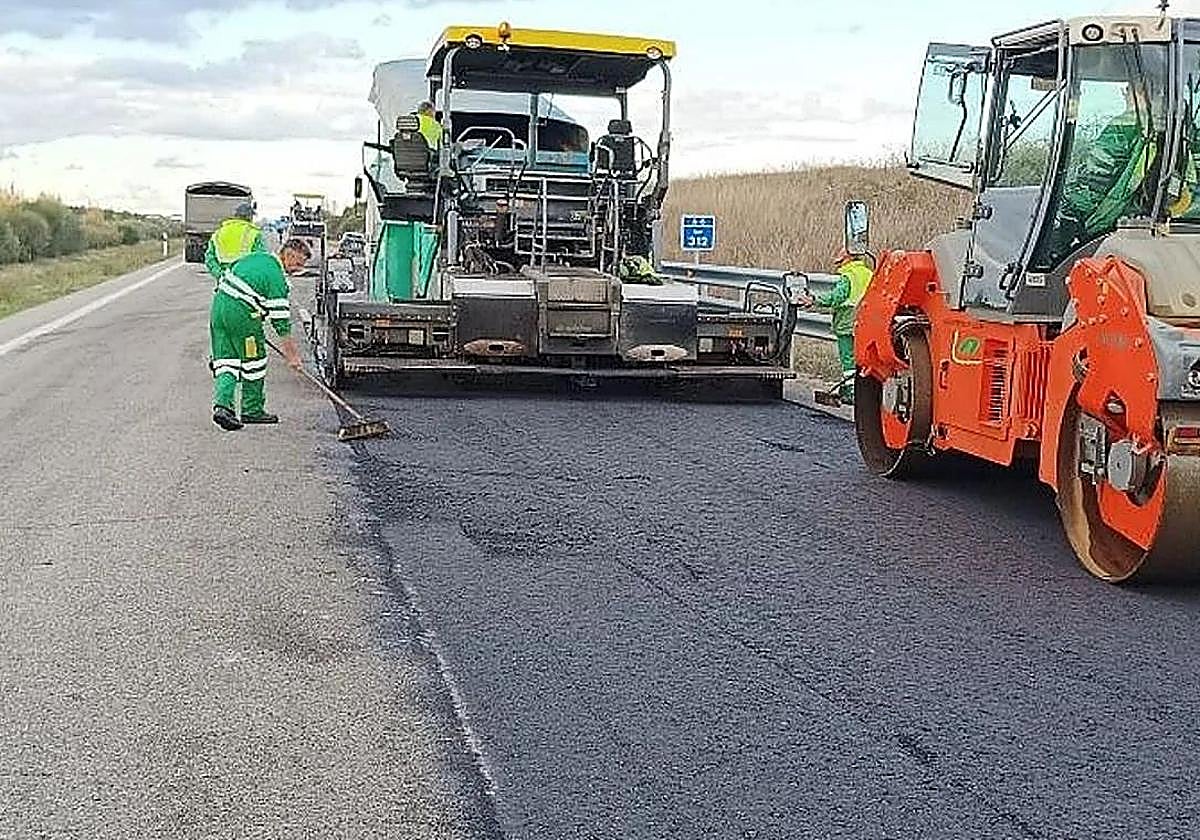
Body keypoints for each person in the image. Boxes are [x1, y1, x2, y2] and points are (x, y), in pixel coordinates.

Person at [1048, 82, 1159, 263]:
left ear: (1135, 92)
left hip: (1108, 229)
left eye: (1128, 88)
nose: (1124, 94)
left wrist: (1065, 213)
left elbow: (1092, 183)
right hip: (1142, 220)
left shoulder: (1124, 128)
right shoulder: (1177, 129)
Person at [209, 238, 309, 431]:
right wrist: (292, 355)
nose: (298, 270)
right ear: (288, 254)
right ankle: (252, 410)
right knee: (254, 361)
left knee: (226, 362)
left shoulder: (256, 258)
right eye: (297, 264)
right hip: (243, 316)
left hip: (218, 310)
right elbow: (281, 322)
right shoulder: (276, 276)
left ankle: (223, 407)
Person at [805, 248, 873, 404]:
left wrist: (814, 300)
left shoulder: (848, 276)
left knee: (848, 359)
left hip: (846, 323)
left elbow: (837, 297)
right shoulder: (868, 273)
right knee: (862, 358)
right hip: (865, 323)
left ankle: (851, 392)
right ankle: (862, 391)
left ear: (847, 259)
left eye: (840, 261)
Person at [205, 202, 267, 282]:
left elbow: (209, 259)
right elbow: (260, 259)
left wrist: (220, 274)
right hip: (246, 280)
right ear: (249, 217)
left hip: (224, 282)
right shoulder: (253, 234)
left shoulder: (218, 233)